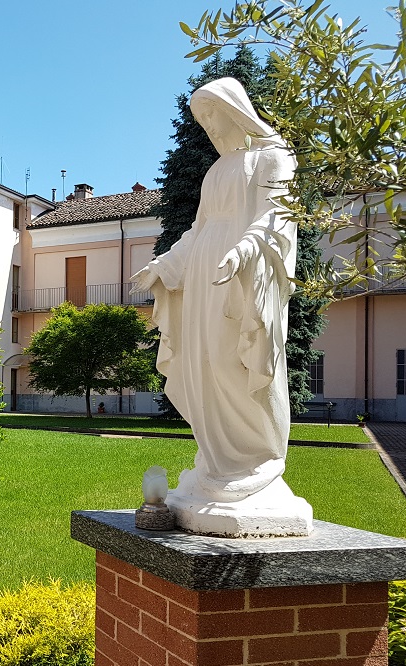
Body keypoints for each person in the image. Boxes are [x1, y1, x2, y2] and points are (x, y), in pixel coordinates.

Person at [132, 77, 312, 536]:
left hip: (242, 280)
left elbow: (276, 217)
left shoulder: (274, 157)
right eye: (201, 118)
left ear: (235, 110)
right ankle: (215, 463)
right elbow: (198, 230)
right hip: (203, 279)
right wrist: (165, 263)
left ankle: (255, 461)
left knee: (236, 361)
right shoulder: (216, 171)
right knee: (204, 365)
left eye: (212, 114)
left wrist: (246, 250)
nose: (208, 125)